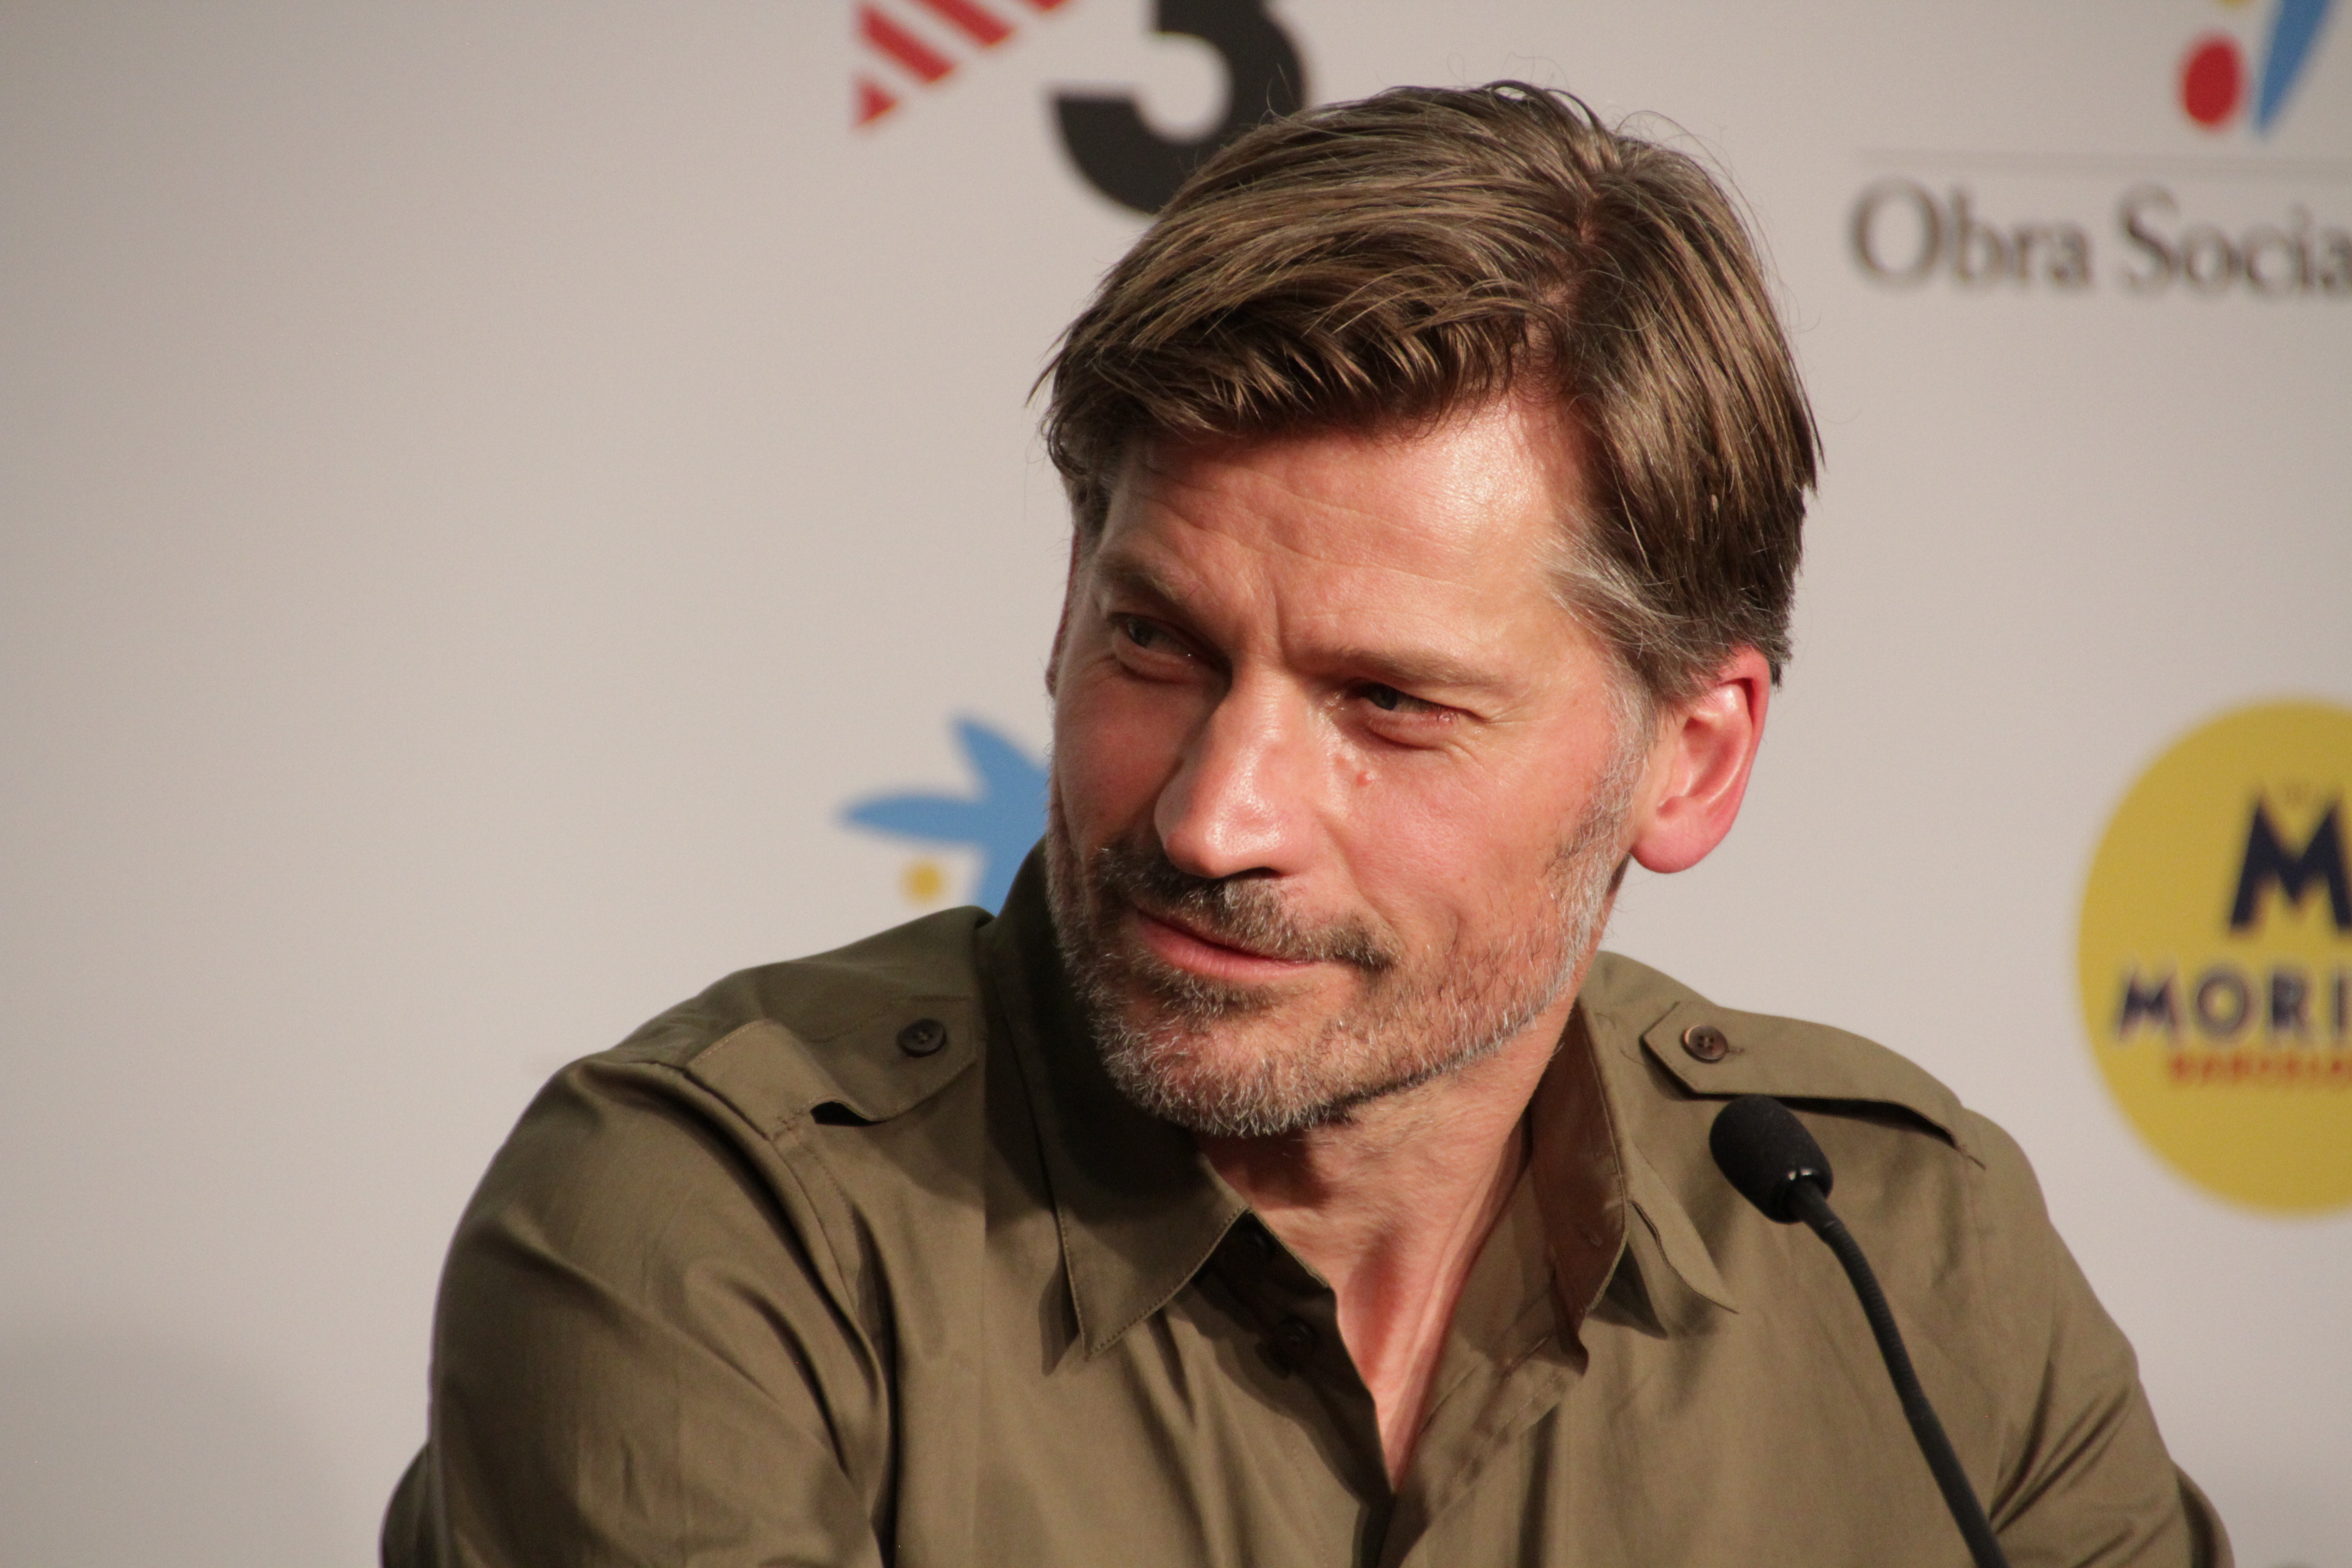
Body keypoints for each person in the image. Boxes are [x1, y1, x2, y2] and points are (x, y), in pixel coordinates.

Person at [384, 83, 2227, 1567]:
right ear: (1066, 608)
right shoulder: (719, 1232)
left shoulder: (1903, 1255)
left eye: (1388, 705)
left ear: (1691, 759)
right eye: (1156, 643)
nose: (1214, 817)